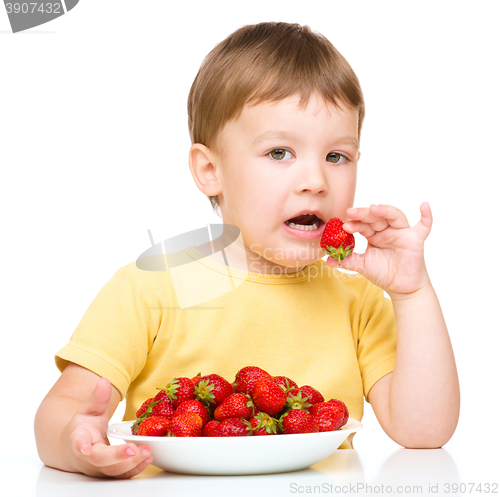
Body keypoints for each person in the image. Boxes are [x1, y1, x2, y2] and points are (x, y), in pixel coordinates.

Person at [34, 22, 460, 478]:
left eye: (337, 156)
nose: (316, 181)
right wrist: (78, 443)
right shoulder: (151, 288)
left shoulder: (358, 302)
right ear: (209, 169)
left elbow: (425, 432)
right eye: (279, 153)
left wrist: (411, 293)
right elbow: (58, 416)